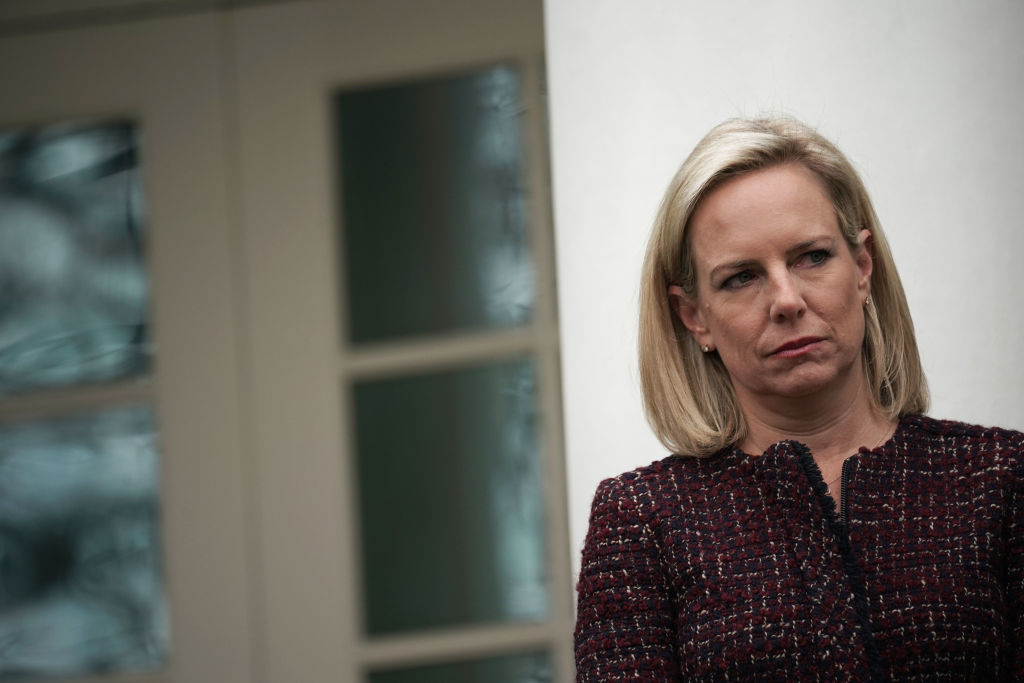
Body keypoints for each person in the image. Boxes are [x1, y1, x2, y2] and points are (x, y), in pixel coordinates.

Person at [573, 116, 1023, 681]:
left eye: (811, 256)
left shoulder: (1000, 478)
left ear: (862, 266)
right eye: (741, 277)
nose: (786, 300)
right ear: (694, 316)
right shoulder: (643, 521)